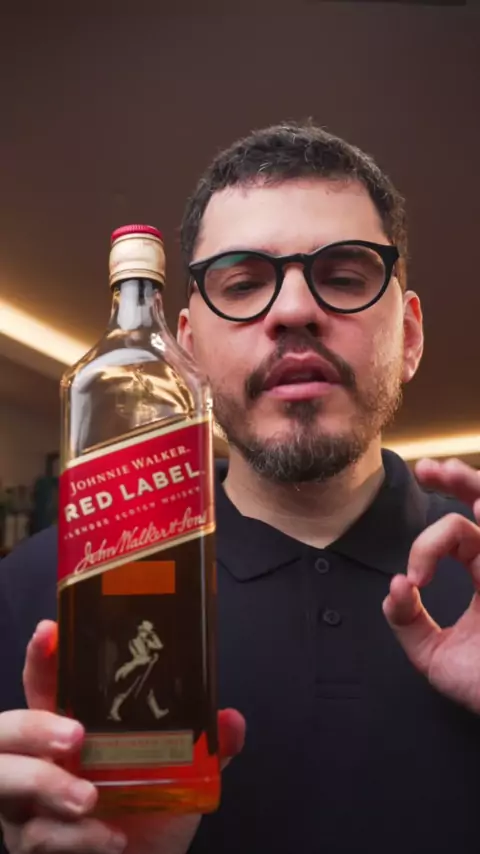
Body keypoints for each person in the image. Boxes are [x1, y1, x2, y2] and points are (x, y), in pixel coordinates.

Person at [0, 121, 480, 854]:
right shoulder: (32, 588)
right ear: (185, 349)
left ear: (408, 338)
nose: (293, 311)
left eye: (344, 277)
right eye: (244, 283)